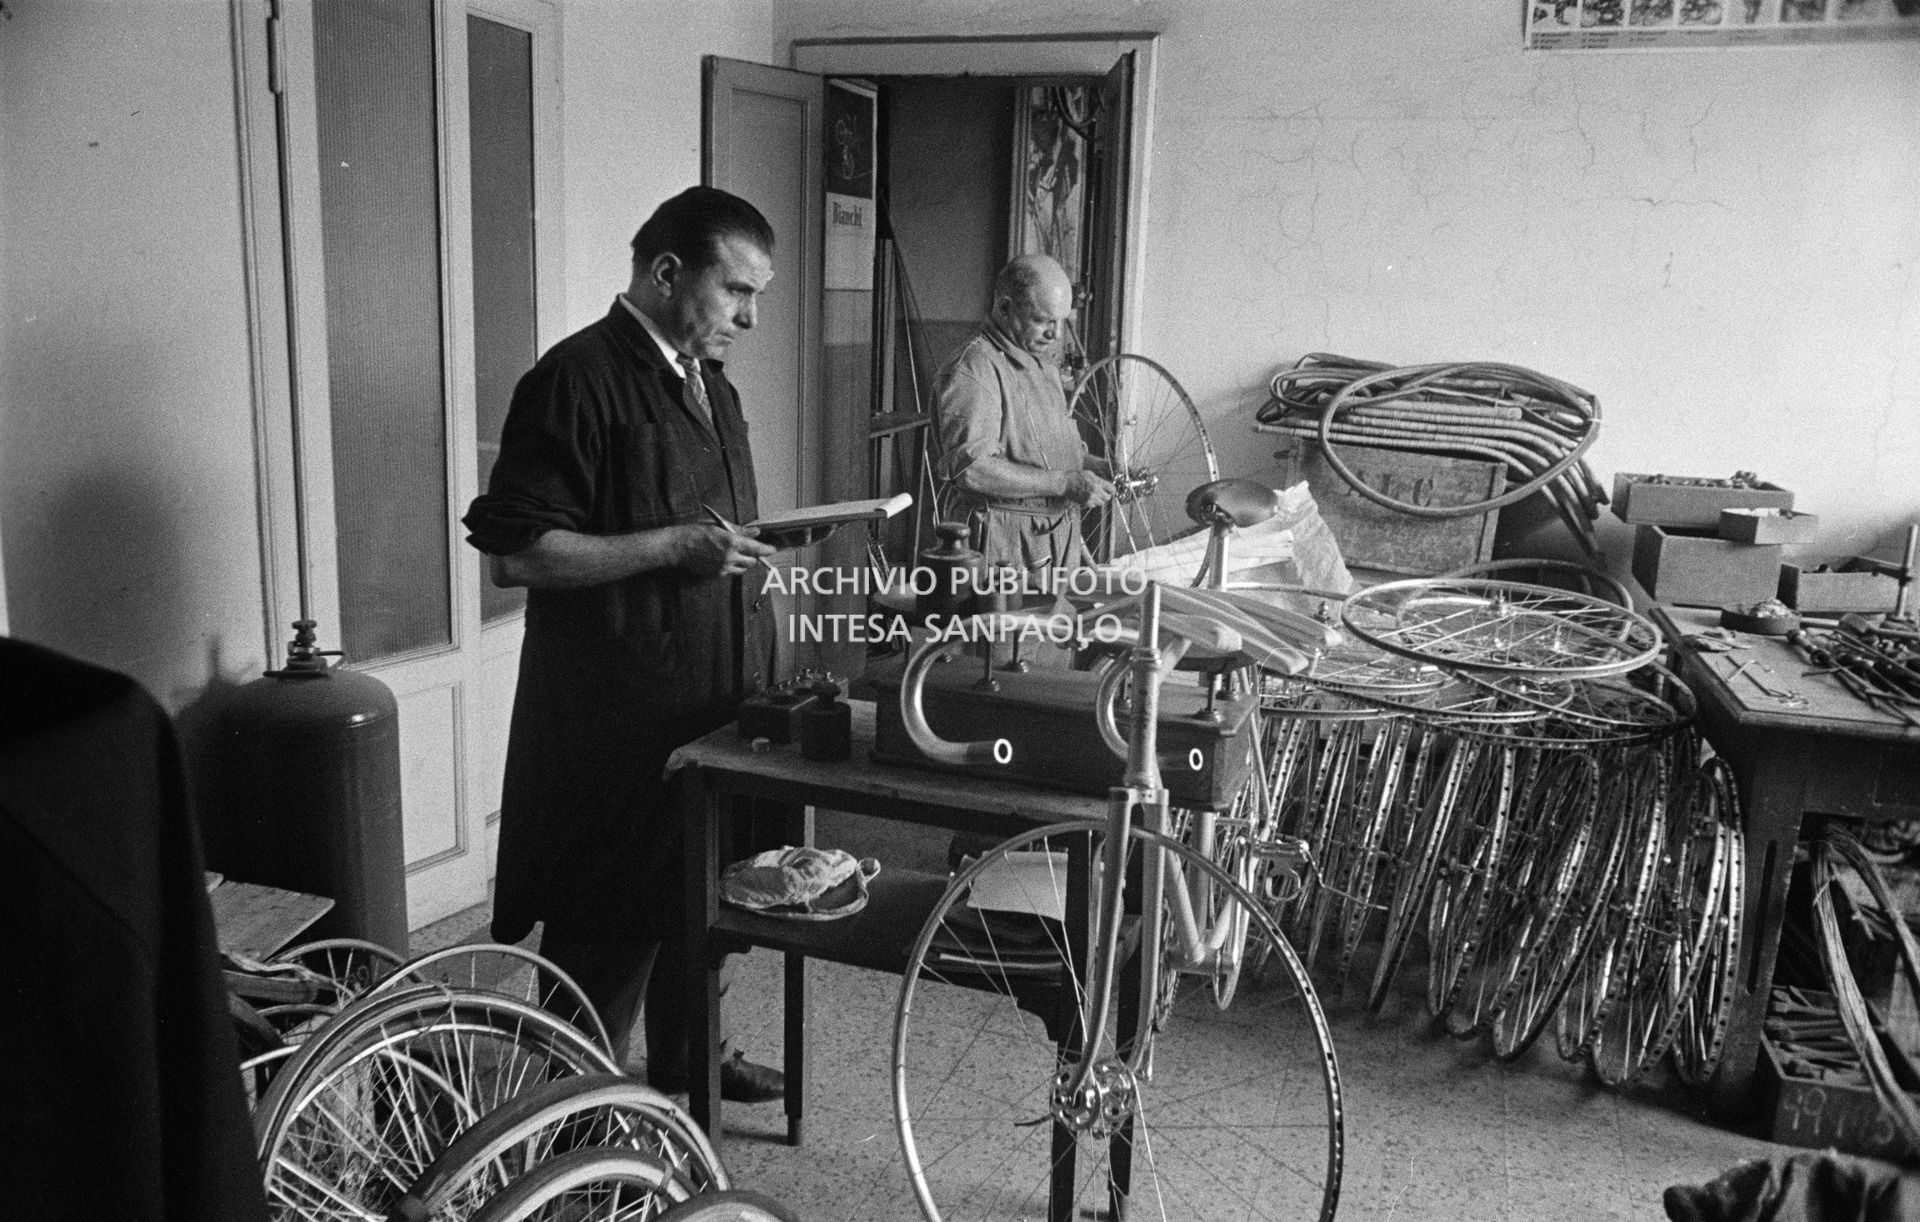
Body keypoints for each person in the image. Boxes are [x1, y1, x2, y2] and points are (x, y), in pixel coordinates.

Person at [462, 186, 784, 1103]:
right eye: (737, 292)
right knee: (607, 932)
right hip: (613, 726)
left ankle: (690, 1060)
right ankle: (573, 1125)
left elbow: (713, 530)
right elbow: (516, 557)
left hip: (709, 702)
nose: (750, 318)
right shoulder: (574, 380)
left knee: (702, 903)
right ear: (666, 271)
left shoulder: (707, 382)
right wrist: (674, 547)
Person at [933, 253, 1115, 585]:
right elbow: (972, 471)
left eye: (1062, 321)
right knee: (1002, 636)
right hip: (1003, 549)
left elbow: (1045, 455)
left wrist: (1101, 468)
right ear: (1004, 309)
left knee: (1052, 634)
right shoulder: (976, 370)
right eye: (1044, 320)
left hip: (1053, 542)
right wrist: (1066, 483)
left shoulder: (1040, 363)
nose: (1056, 334)